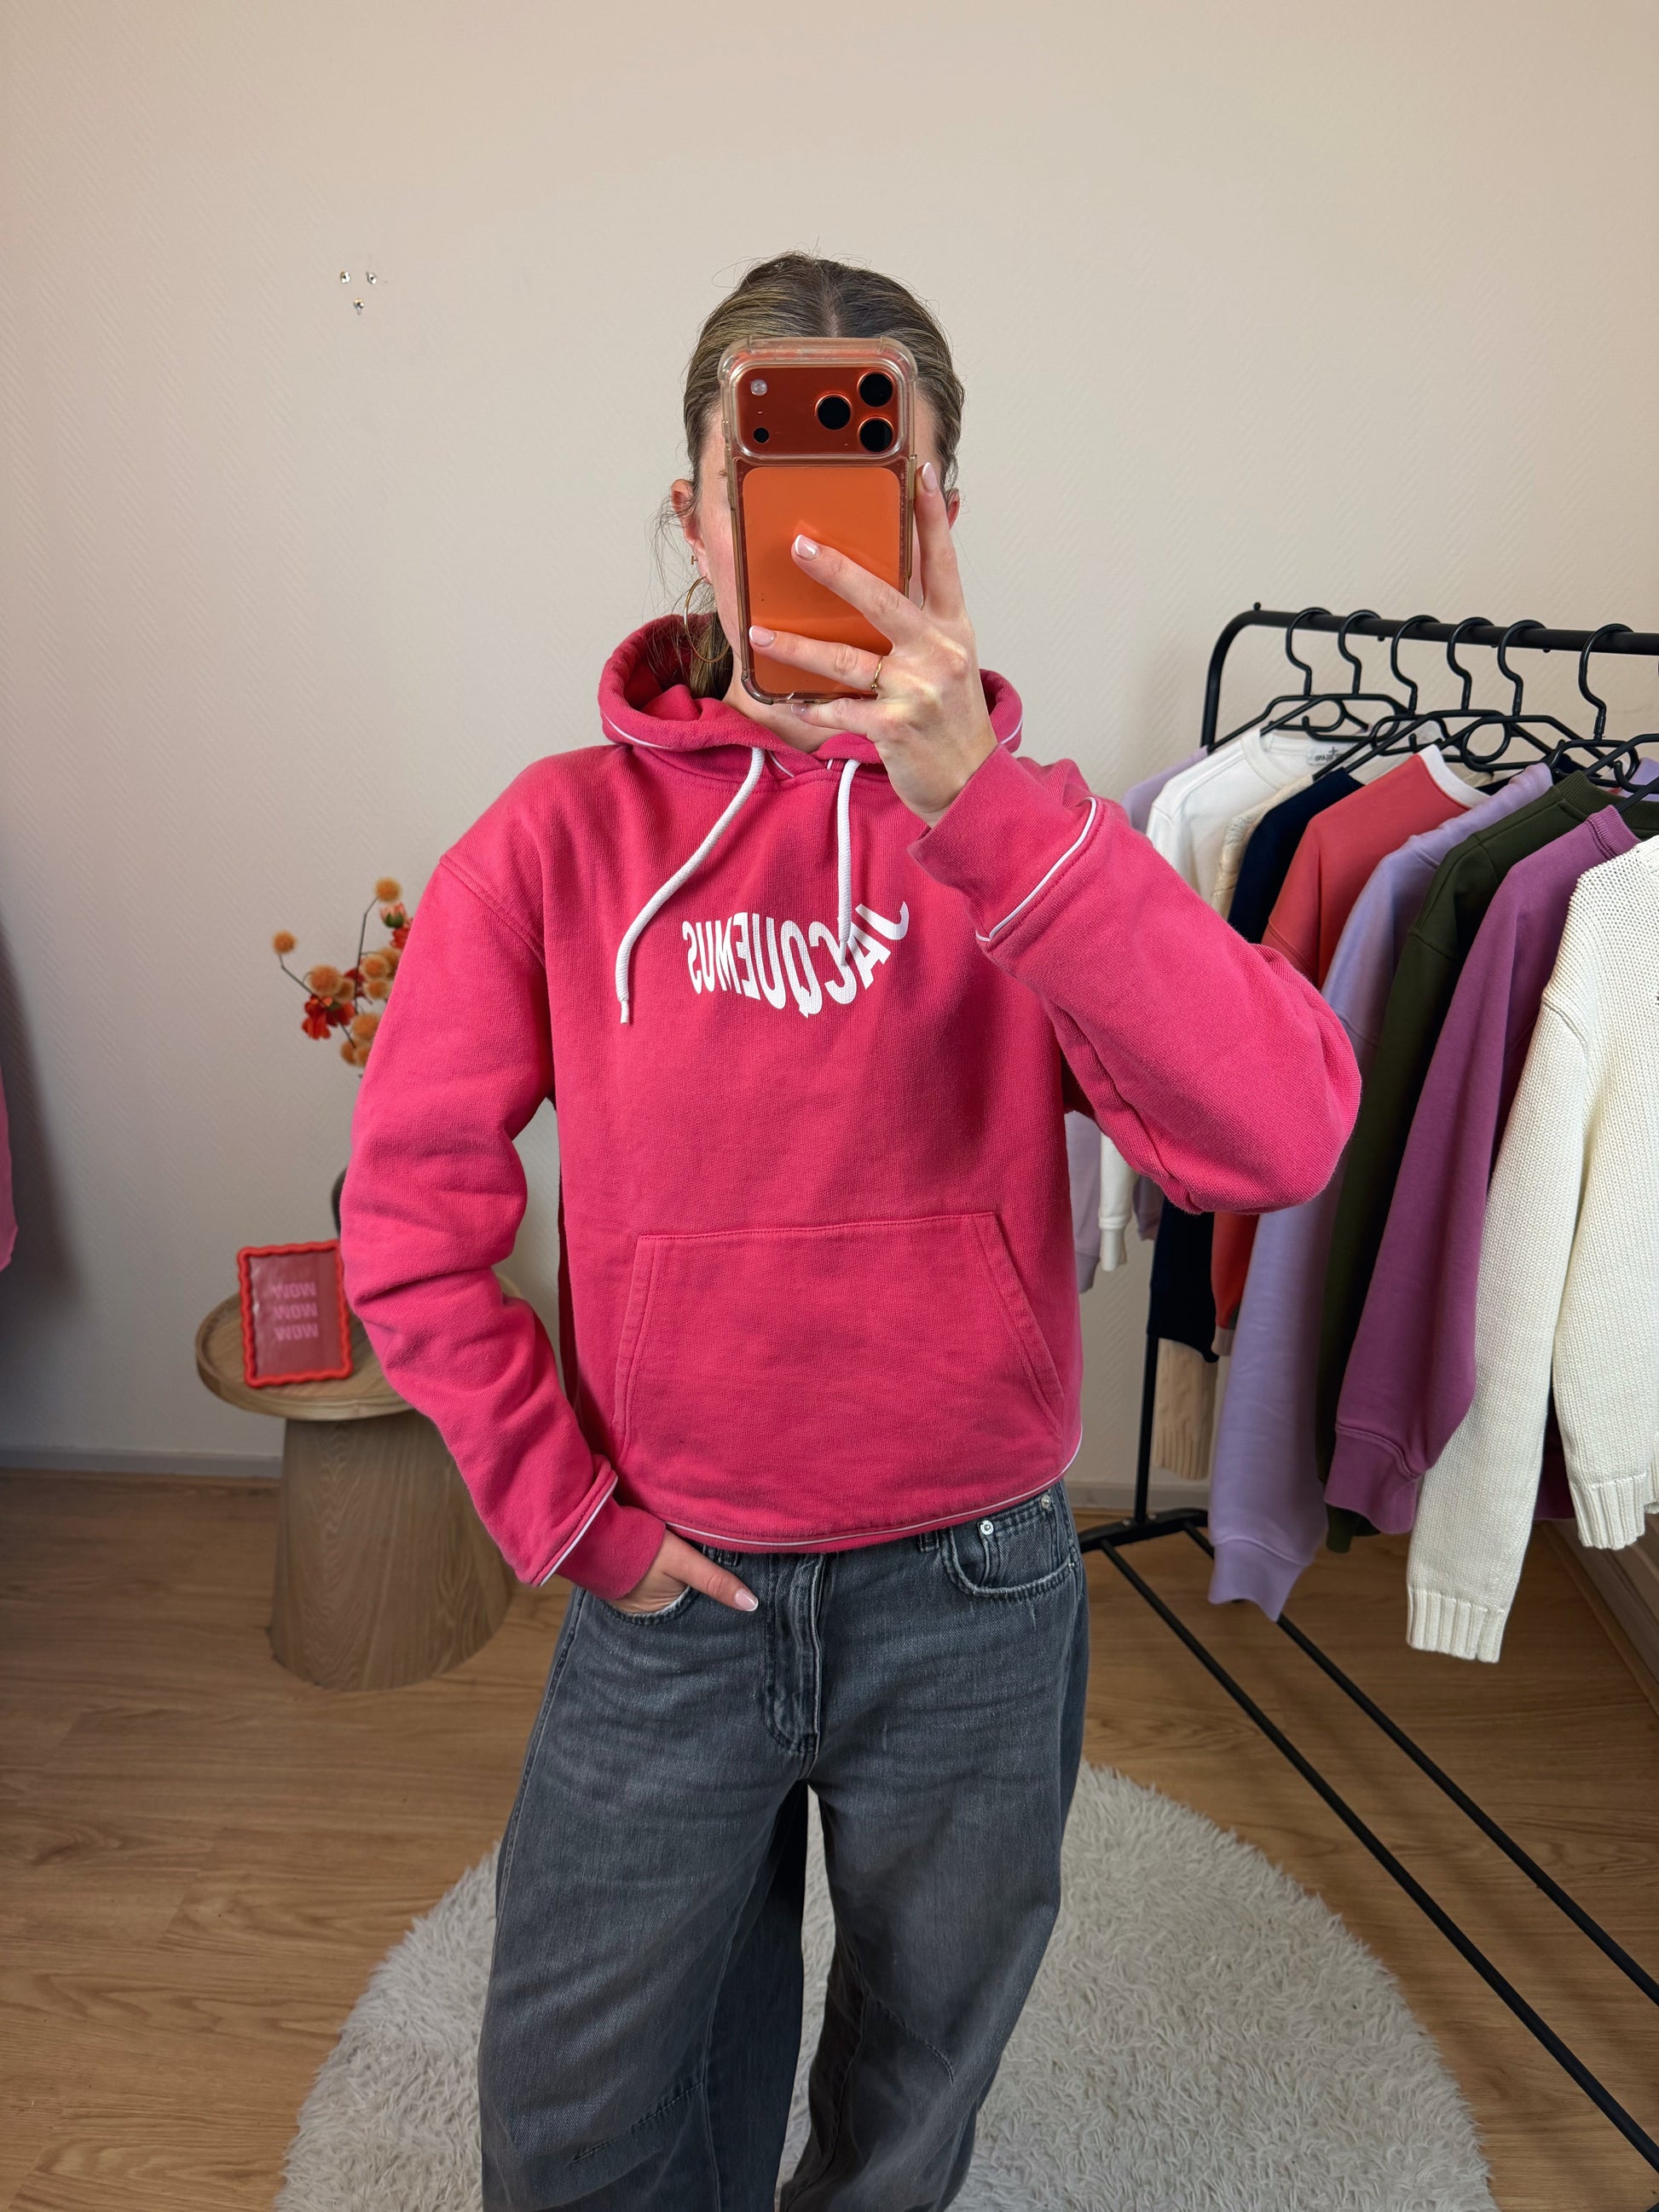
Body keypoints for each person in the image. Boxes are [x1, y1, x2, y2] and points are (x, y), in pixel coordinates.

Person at [338, 249, 1360, 2211]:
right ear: (693, 513)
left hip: (972, 1588)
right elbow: (405, 1215)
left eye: (870, 476)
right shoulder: (555, 837)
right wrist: (569, 1511)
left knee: (912, 2076)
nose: (812, 535)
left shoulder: (1041, 843)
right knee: (580, 2108)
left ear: (941, 515)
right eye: (767, 473)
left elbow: (1282, 1128)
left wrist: (989, 809)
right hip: (670, 1583)